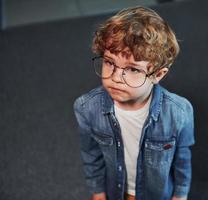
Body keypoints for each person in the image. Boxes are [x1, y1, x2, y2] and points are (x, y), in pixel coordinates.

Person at [73, 6, 195, 200]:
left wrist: (180, 195)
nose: (116, 77)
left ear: (158, 74)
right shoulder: (86, 108)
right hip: (117, 192)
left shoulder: (179, 112)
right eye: (110, 63)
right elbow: (91, 154)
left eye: (133, 69)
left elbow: (182, 160)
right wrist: (98, 192)